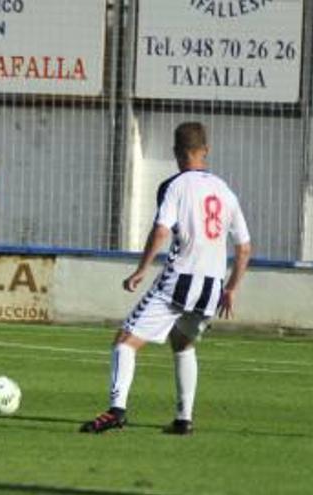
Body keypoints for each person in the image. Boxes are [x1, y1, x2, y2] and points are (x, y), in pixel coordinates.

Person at [79, 122, 251, 435]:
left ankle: (116, 410)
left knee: (125, 341)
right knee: (182, 342)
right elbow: (244, 249)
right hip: (212, 287)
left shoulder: (175, 186)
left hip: (181, 279)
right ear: (205, 151)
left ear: (176, 152)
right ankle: (184, 419)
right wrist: (232, 288)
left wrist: (142, 268)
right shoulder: (225, 190)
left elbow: (161, 230)